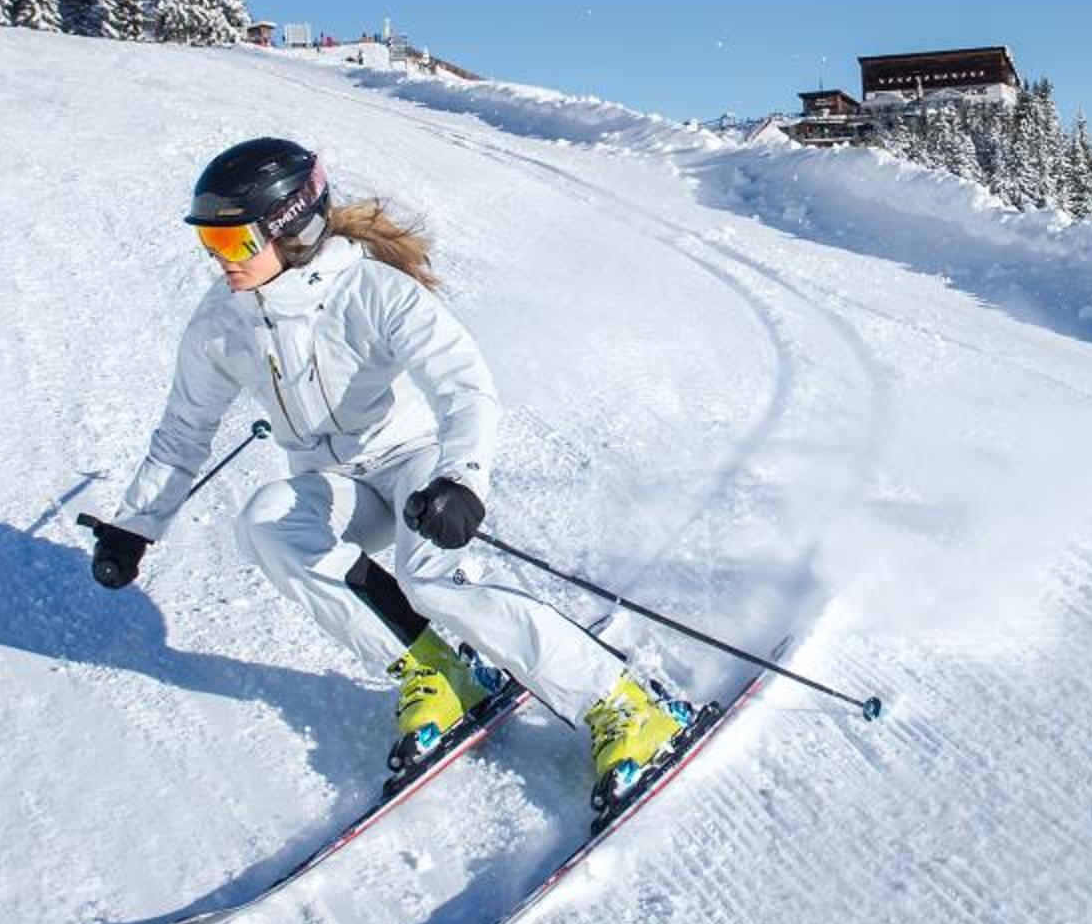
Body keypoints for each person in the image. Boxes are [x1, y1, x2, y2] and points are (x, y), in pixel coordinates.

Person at [86, 136, 694, 813]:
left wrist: (460, 480)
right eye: (209, 242)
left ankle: (625, 703)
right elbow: (183, 430)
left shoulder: (371, 292)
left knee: (430, 578)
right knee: (265, 520)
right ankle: (438, 672)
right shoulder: (220, 324)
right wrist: (134, 525)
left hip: (414, 464)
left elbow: (464, 387)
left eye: (232, 241)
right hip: (339, 484)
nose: (219, 259)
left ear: (291, 229)